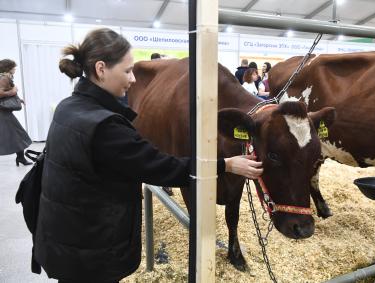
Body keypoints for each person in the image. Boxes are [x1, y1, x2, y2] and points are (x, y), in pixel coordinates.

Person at [34, 28, 263, 283]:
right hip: (91, 250)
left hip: (65, 235)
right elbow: (161, 167)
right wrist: (226, 165)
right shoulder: (107, 127)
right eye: (127, 70)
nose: (133, 80)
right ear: (101, 69)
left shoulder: (69, 107)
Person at [0, 59, 32, 166]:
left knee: (17, 134)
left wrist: (17, 98)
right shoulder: (4, 78)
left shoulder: (5, 77)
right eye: (14, 67)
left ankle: (20, 158)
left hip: (4, 113)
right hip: (3, 114)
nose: (15, 69)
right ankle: (21, 158)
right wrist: (13, 92)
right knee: (18, 134)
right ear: (8, 68)